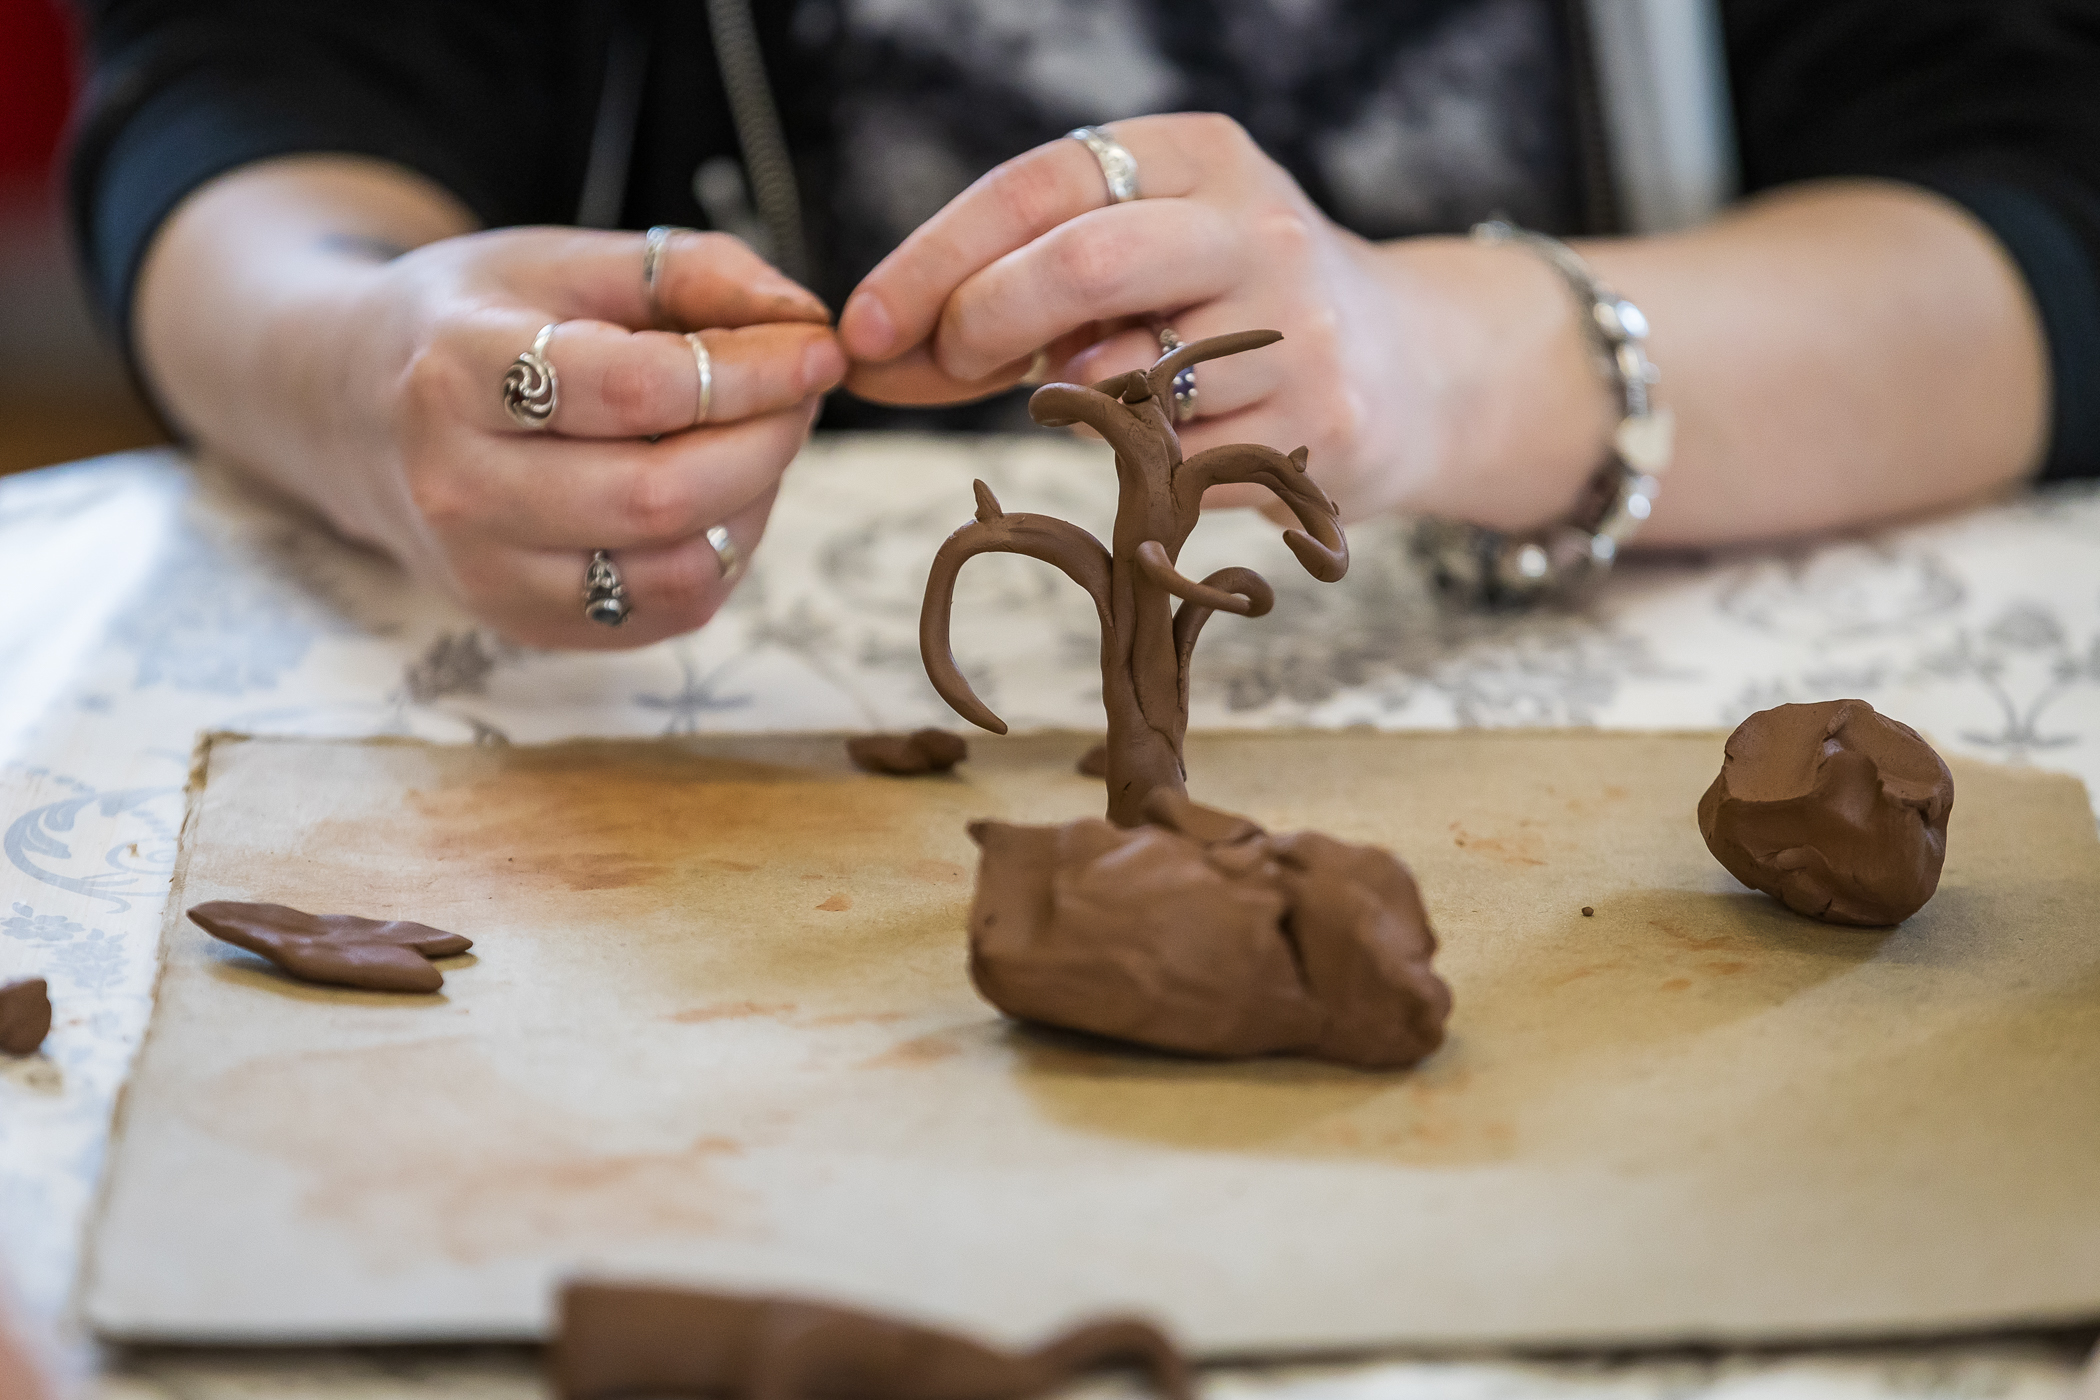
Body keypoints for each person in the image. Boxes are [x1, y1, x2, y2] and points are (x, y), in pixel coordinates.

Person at [67, 1, 2100, 648]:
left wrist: (1446, 352)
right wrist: (371, 359)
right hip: (684, 744)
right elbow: (251, 100)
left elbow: (2040, 195)